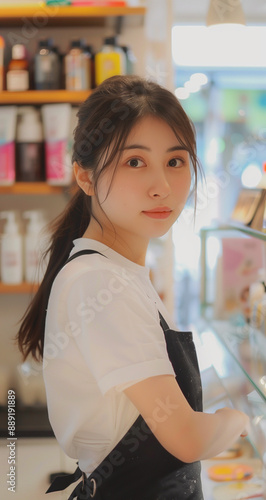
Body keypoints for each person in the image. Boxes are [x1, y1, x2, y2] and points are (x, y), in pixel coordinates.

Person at [17, 75, 249, 500]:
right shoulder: (99, 281)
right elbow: (187, 438)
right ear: (85, 178)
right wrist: (239, 419)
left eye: (175, 162)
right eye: (135, 162)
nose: (161, 185)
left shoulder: (117, 272)